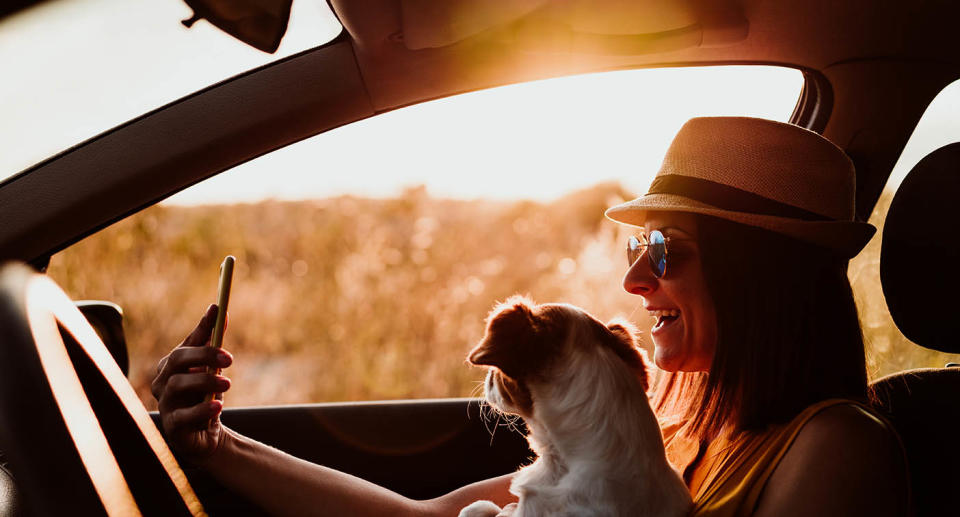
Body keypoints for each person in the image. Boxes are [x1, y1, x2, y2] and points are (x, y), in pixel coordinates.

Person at [152, 116, 910, 516]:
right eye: (636, 247)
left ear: (760, 277)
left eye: (666, 250)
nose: (634, 277)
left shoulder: (836, 446)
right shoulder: (673, 425)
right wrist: (216, 445)